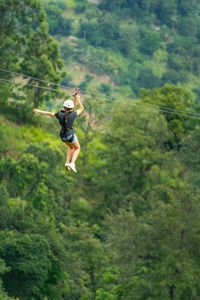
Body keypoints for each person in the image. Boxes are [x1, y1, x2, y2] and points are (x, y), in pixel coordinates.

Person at [33, 95, 84, 173]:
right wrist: (78, 100)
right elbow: (81, 109)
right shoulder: (73, 114)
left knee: (71, 148)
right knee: (77, 148)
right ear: (71, 108)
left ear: (64, 107)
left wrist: (40, 111)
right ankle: (72, 163)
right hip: (69, 134)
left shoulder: (59, 114)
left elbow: (49, 113)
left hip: (63, 135)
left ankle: (67, 162)